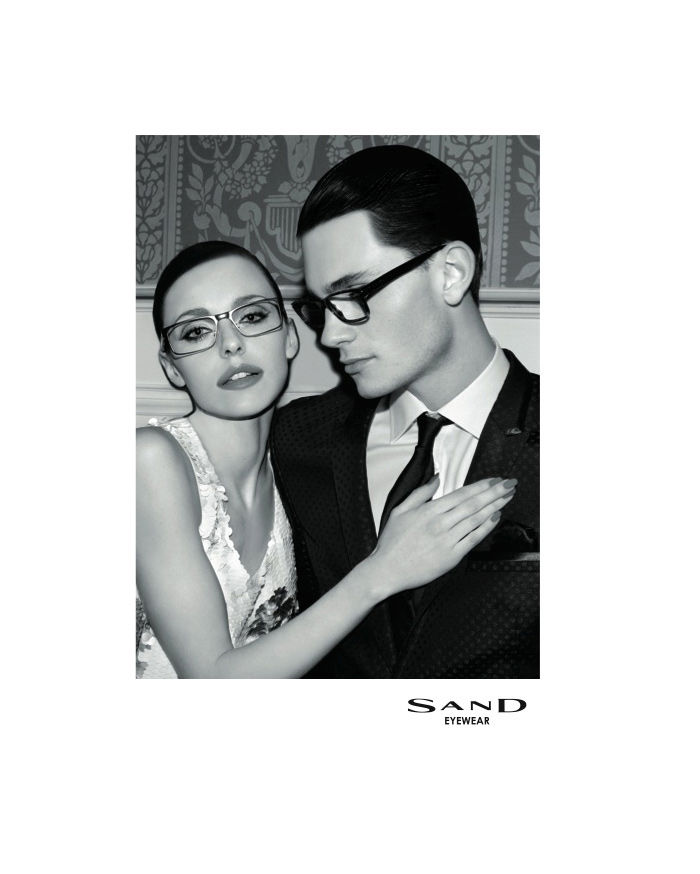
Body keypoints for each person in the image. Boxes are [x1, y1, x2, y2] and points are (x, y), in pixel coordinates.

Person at [136, 240, 516, 679]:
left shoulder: (298, 464)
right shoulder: (151, 459)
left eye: (253, 316)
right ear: (171, 367)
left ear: (290, 336)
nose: (231, 345)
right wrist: (383, 570)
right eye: (196, 332)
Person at [271, 145, 539, 679]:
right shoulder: (298, 438)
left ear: (451, 273)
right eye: (321, 307)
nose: (330, 333)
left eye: (354, 293)